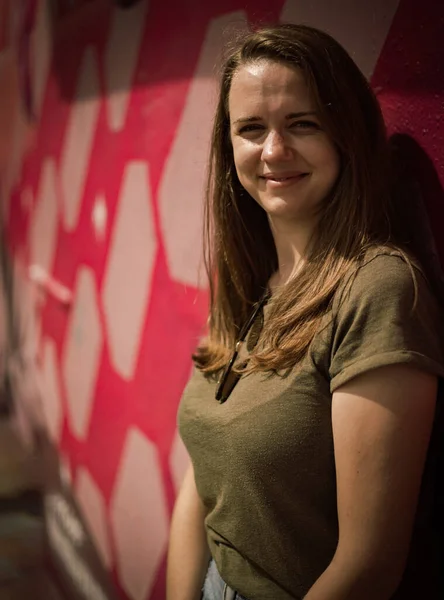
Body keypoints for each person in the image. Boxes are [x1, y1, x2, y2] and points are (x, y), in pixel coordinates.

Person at [166, 23, 444, 600]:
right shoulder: (247, 283)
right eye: (251, 129)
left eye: (302, 124)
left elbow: (367, 568)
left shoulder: (378, 288)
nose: (273, 150)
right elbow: (202, 474)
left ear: (345, 134)